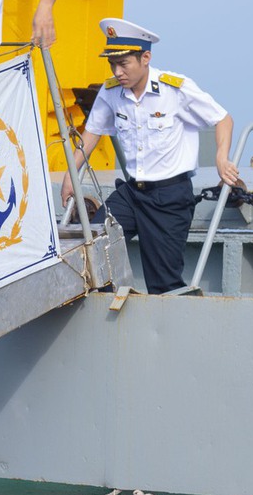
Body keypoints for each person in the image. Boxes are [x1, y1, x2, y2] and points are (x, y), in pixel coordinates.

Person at [64, 18, 238, 294]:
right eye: (112, 64)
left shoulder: (174, 89)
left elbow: (222, 119)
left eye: (124, 64)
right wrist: (70, 176)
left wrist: (221, 157)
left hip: (169, 198)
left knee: (164, 284)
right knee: (91, 249)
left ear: (145, 58)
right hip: (132, 194)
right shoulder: (111, 93)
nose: (117, 71)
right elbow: (92, 134)